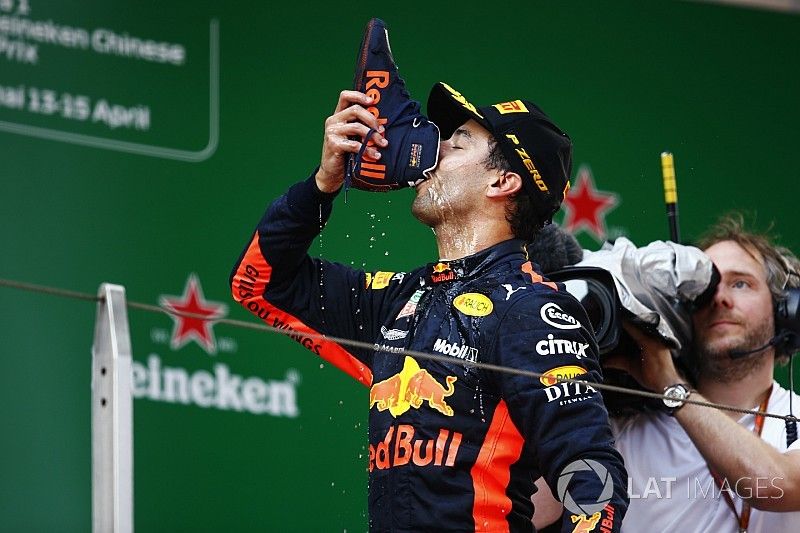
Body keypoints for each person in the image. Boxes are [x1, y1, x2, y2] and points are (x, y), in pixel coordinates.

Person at [230, 83, 628, 532]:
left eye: (458, 142)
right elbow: (259, 282)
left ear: (502, 182)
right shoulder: (400, 298)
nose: (432, 151)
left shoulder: (531, 310)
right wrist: (323, 184)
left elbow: (593, 476)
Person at [611, 213, 800, 531]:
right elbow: (531, 508)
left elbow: (776, 485)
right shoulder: (623, 425)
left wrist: (671, 386)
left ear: (786, 310)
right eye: (705, 287)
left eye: (740, 284)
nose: (719, 298)